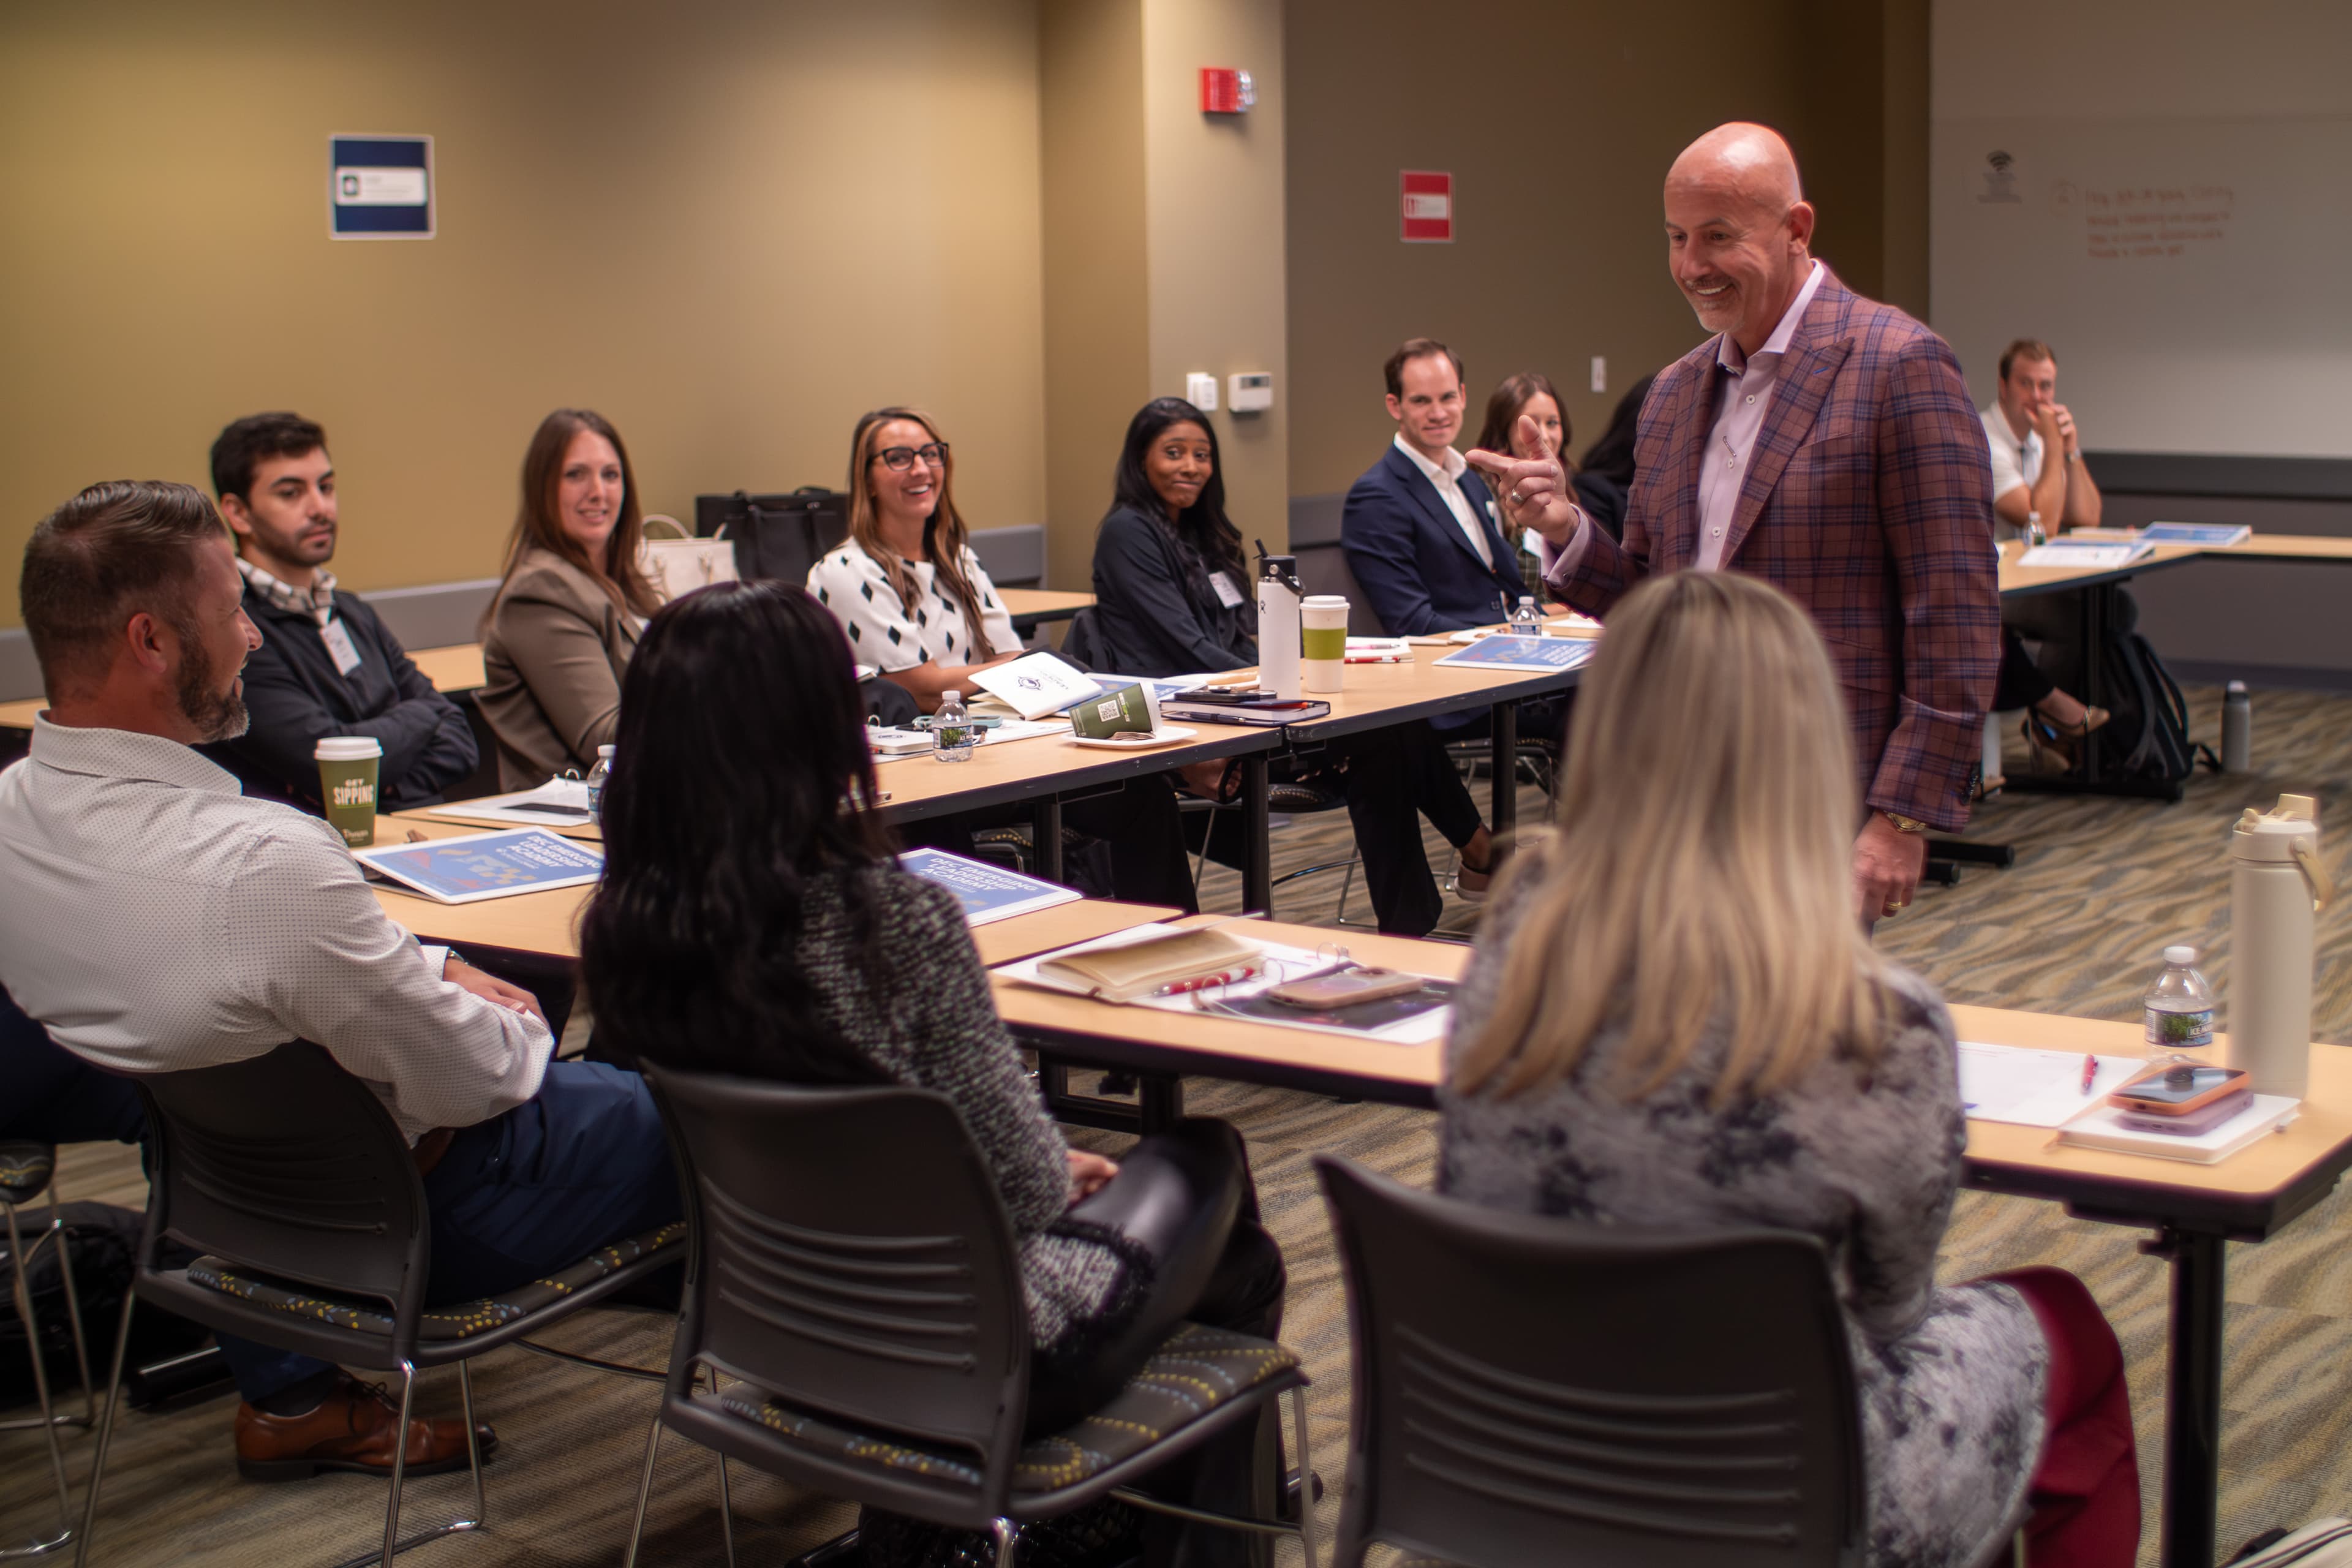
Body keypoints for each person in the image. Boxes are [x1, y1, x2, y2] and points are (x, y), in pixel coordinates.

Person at [1439, 571, 2139, 1568]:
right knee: (2061, 1322)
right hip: (1785, 1501)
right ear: (1808, 750)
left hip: (1518, 1465)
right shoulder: (1881, 1026)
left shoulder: (1510, 951)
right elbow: (1896, 1312)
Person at [579, 579, 1285, 1567]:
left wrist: (1031, 1163)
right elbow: (1026, 1186)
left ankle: (960, 1532)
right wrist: (1047, 1162)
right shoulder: (889, 922)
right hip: (977, 1342)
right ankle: (1127, 1537)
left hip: (778, 1328)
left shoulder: (631, 930)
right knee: (1212, 1171)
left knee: (1205, 1242)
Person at [0, 480, 679, 1482]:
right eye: (232, 610)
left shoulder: (16, 818)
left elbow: (219, 988)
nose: (254, 640)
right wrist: (518, 1022)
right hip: (419, 1223)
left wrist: (423, 964)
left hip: (220, 1214)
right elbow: (471, 1084)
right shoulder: (265, 862)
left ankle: (295, 1400)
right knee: (730, 1131)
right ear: (150, 640)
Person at [1474, 122, 2001, 922]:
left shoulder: (1897, 366)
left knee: (1795, 1029)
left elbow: (1955, 615)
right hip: (1674, 786)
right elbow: (1655, 602)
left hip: (1818, 783)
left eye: (1718, 237)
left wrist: (1903, 814)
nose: (1691, 267)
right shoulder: (1675, 393)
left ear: (1797, 230)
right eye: (1677, 238)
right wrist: (1566, 528)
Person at [1085, 398, 1499, 933]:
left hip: (1248, 704)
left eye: (1202, 454)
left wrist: (1281, 678)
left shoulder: (1205, 534)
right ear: (1141, 460)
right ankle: (1473, 856)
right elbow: (1187, 645)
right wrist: (1278, 682)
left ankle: (1412, 926)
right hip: (1191, 728)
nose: (1190, 466)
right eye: (1173, 453)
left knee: (1385, 737)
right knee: (1383, 738)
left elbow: (1241, 634)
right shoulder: (1127, 532)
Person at [808, 406, 1198, 911]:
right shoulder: (844, 570)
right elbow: (923, 689)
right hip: (931, 770)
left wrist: (1010, 669)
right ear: (868, 478)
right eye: (899, 458)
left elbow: (1009, 654)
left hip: (1001, 747)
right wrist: (1012, 669)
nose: (921, 470)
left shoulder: (957, 558)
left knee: (1140, 795)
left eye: (931, 454)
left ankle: (1171, 938)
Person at [197, 412, 478, 812]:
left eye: (326, 487)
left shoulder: (350, 611)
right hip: (322, 851)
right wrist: (420, 715)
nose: (320, 508)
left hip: (414, 836)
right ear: (238, 513)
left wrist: (377, 783)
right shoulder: (238, 630)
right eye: (291, 493)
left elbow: (461, 742)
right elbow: (324, 768)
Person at [478, 409, 663, 790]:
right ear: (543, 488)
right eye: (576, 475)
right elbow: (607, 738)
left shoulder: (628, 583)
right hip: (572, 821)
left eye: (610, 475)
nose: (598, 491)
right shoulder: (542, 589)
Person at [1981, 341, 2111, 770]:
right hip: (1992, 587)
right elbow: (2044, 524)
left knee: (2113, 611)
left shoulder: (2041, 441)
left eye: (2046, 386)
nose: (2038, 397)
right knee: (2082, 618)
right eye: (2026, 384)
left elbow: (2087, 516)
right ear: (2003, 386)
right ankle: (2053, 718)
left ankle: (2052, 722)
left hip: (2032, 580)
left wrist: (2071, 452)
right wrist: (2055, 445)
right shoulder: (1985, 437)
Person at [1341, 339, 1528, 637]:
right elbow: (1411, 621)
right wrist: (1501, 640)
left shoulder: (1469, 479)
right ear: (1395, 406)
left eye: (1447, 397)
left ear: (1463, 397)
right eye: (1421, 401)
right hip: (1457, 664)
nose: (1438, 413)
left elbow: (1513, 588)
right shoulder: (1375, 497)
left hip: (1515, 644)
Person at [1472, 372, 1626, 543]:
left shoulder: (1575, 485)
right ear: (1504, 433)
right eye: (1530, 424)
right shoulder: (1481, 489)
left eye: (1552, 423)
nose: (1544, 436)